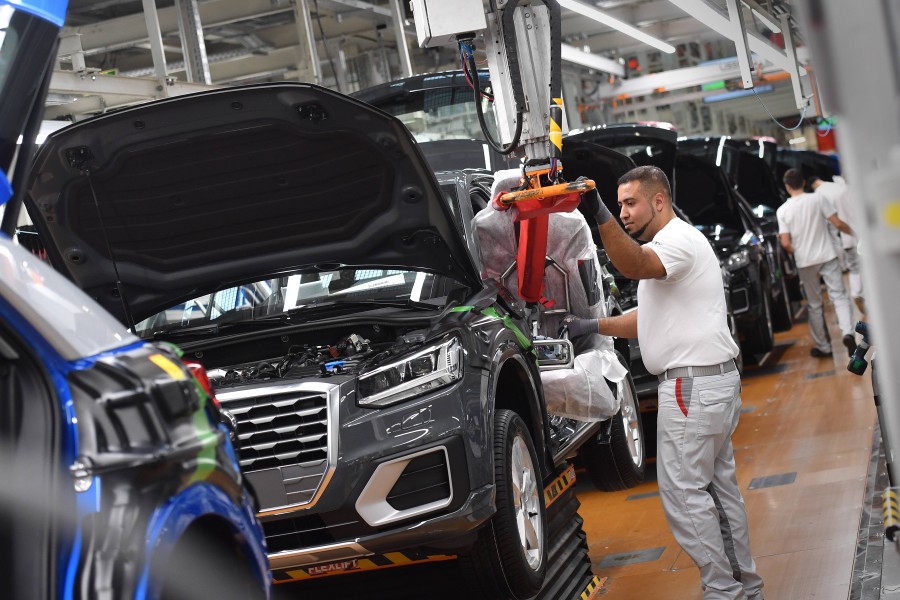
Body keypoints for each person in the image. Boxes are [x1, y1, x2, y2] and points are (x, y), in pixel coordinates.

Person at [563, 166, 764, 600]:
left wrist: (597, 214)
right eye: (617, 205)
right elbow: (648, 319)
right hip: (710, 383)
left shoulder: (673, 242)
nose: (623, 213)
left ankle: (722, 591)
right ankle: (744, 588)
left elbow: (633, 264)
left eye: (629, 203)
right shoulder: (675, 247)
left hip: (691, 388)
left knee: (684, 494)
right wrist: (591, 324)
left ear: (658, 201)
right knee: (716, 492)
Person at [778, 168, 857, 357]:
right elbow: (837, 223)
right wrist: (855, 234)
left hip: (805, 262)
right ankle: (847, 332)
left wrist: (798, 251)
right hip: (827, 255)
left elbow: (785, 242)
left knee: (814, 304)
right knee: (838, 296)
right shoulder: (818, 199)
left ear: (787, 186)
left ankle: (824, 346)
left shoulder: (783, 210)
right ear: (804, 182)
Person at [810, 175, 866, 314]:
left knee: (854, 269)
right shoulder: (841, 187)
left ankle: (856, 294)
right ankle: (864, 296)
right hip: (862, 233)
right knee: (866, 269)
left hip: (845, 237)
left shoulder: (819, 195)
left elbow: (833, 222)